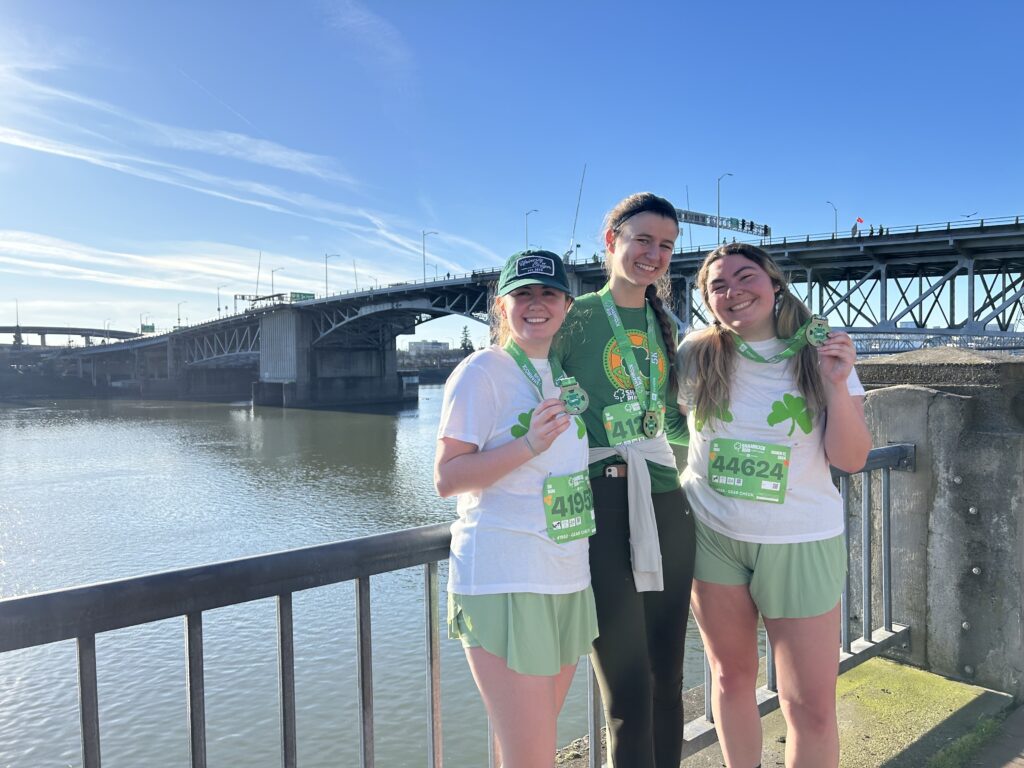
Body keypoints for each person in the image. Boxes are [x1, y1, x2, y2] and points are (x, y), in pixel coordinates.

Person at [676, 242, 871, 768]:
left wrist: (835, 384)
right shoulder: (695, 353)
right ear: (707, 300)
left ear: (775, 283)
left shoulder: (822, 351)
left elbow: (851, 459)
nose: (733, 292)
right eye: (718, 286)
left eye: (746, 277)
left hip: (800, 538)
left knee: (809, 705)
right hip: (713, 535)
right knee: (730, 676)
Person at [434, 249, 598, 767]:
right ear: (500, 306)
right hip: (505, 577)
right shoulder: (482, 370)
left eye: (549, 292)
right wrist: (529, 446)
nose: (536, 304)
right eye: (522, 293)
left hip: (565, 577)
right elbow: (448, 477)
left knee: (529, 751)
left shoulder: (561, 377)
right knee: (533, 757)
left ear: (567, 305)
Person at [557, 192, 695, 767]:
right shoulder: (573, 316)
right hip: (599, 509)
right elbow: (525, 391)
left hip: (667, 505)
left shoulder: (669, 324)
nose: (654, 254)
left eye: (666, 245)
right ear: (611, 241)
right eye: (643, 240)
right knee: (627, 694)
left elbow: (676, 422)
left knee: (669, 679)